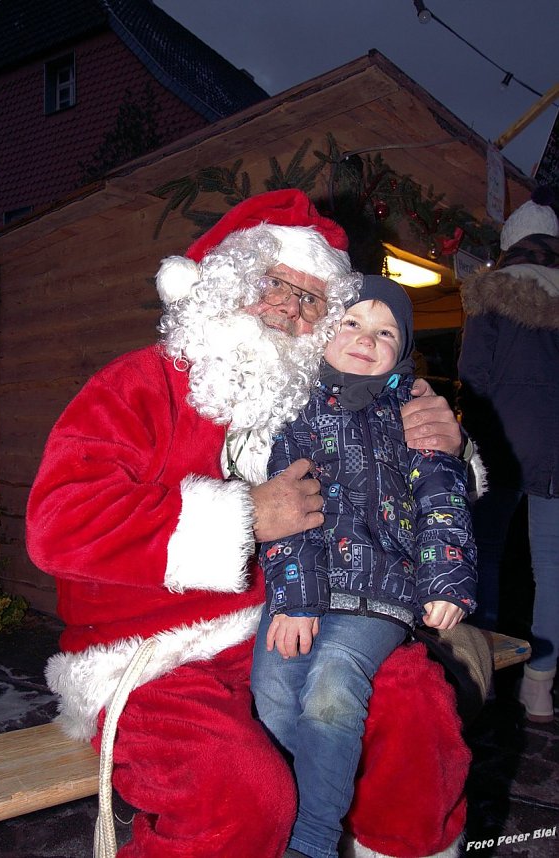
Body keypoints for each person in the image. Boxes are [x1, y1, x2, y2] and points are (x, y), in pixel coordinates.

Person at [26, 189, 470, 858]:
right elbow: (57, 522)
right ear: (224, 286)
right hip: (152, 654)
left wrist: (443, 448)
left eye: (313, 299)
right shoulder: (137, 387)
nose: (290, 307)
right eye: (274, 284)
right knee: (241, 791)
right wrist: (242, 517)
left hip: (290, 623)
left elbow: (409, 499)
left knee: (415, 709)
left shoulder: (321, 402)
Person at [251, 276, 477, 858]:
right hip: (301, 587)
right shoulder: (293, 411)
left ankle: (313, 841)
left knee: (332, 686)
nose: (364, 338)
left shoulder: (413, 414)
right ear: (323, 332)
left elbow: (443, 501)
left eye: (384, 332)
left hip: (380, 590)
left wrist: (446, 580)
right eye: (351, 322)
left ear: (400, 353)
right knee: (274, 691)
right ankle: (296, 810)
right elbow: (286, 510)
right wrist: (296, 600)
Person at [458, 188, 559, 722]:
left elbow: (473, 376)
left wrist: (470, 437)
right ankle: (539, 688)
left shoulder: (492, 290)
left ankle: (484, 675)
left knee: (485, 554)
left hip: (501, 445)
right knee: (553, 568)